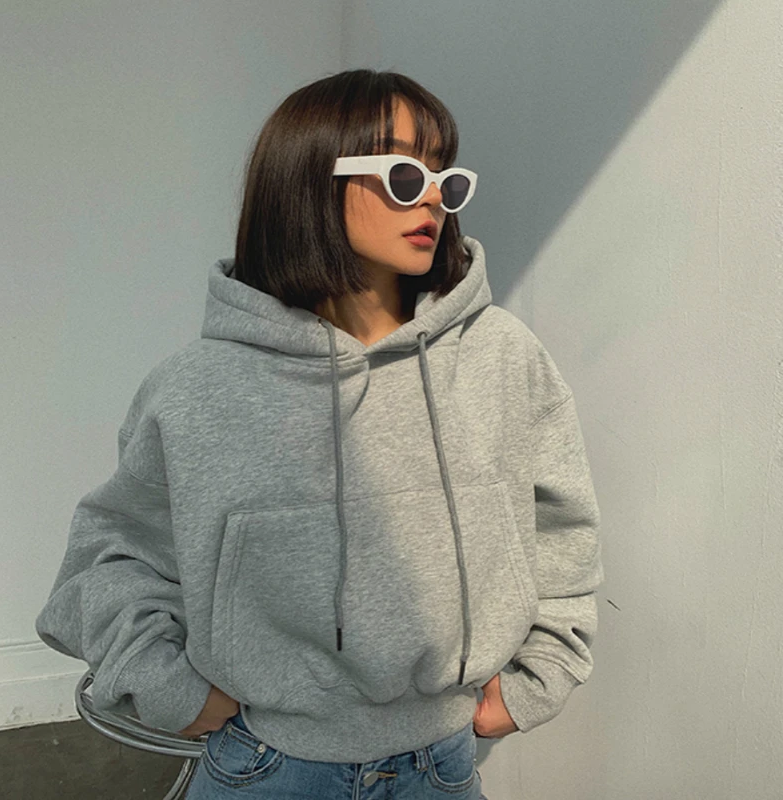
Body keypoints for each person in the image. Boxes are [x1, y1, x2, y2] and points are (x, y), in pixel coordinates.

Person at [35, 68, 604, 799]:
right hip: (267, 769)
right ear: (308, 181)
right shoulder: (198, 387)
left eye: (444, 177)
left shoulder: (502, 358)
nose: (432, 197)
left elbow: (563, 528)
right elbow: (109, 559)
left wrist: (539, 676)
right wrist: (170, 687)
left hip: (440, 768)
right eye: (404, 175)